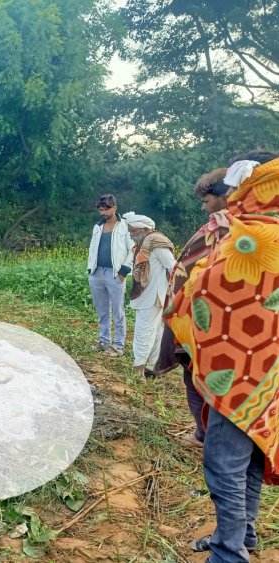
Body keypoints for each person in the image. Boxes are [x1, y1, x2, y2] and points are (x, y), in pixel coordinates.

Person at [170, 151, 279, 563]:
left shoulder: (249, 236)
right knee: (250, 458)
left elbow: (204, 290)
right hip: (269, 373)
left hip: (239, 372)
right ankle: (242, 534)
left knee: (223, 464)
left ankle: (228, 553)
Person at [158, 169, 232, 448]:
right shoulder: (242, 227)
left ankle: (206, 436)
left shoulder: (221, 229)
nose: (203, 207)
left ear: (225, 196)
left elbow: (196, 274)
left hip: (203, 320)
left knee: (196, 377)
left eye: (206, 201)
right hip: (217, 322)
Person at [123, 212, 176, 379]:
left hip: (154, 295)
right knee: (155, 331)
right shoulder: (144, 242)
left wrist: (173, 291)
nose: (131, 234)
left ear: (142, 229)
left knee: (144, 331)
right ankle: (153, 367)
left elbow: (172, 266)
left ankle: (138, 369)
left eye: (132, 231)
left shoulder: (157, 243)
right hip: (149, 295)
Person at [87, 194, 135, 357]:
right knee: (102, 310)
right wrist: (90, 269)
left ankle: (118, 345)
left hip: (115, 274)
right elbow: (92, 249)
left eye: (106, 209)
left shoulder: (124, 227)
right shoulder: (97, 227)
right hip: (97, 272)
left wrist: (124, 271)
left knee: (118, 311)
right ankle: (104, 341)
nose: (103, 212)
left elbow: (133, 250)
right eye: (100, 209)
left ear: (114, 208)